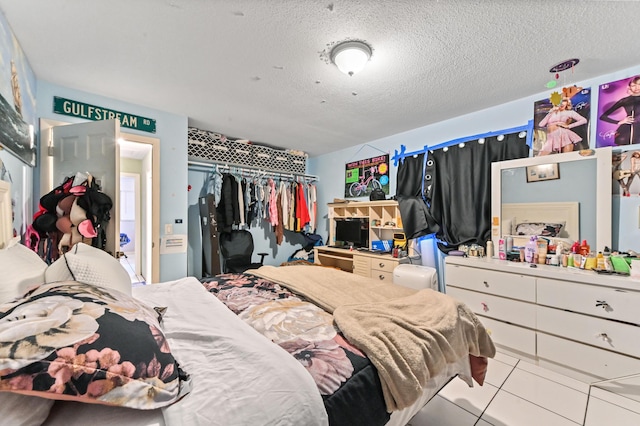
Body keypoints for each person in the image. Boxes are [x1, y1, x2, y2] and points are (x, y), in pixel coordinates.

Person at [599, 76, 640, 146]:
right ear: (629, 87)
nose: (636, 87)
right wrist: (620, 122)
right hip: (625, 132)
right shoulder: (624, 100)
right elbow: (603, 117)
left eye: (639, 84)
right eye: (633, 85)